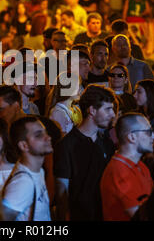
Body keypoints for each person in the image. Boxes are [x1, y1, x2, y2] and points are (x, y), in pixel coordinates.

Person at [54, 84, 116, 221]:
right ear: (92, 110)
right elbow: (62, 192)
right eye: (108, 109)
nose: (113, 114)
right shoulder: (67, 145)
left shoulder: (106, 142)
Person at [100, 112, 154, 221]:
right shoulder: (120, 172)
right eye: (148, 132)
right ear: (132, 137)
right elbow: (142, 217)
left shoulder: (140, 165)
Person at [2, 116, 53, 221]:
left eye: (45, 132)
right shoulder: (24, 182)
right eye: (39, 135)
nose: (48, 137)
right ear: (24, 145)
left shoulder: (38, 171)